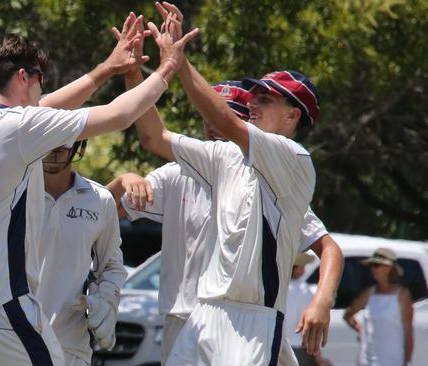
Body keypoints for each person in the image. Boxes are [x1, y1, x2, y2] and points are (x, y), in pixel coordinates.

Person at [0, 14, 199, 365]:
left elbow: (43, 109)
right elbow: (119, 115)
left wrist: (106, 69)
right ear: (23, 76)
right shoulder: (17, 126)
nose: (41, 89)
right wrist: (168, 67)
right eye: (39, 79)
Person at [118, 3, 321, 364]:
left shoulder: (293, 158)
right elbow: (154, 137)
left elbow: (225, 122)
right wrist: (136, 77)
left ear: (293, 115)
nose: (253, 103)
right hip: (206, 311)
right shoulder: (225, 157)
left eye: (265, 99)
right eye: (253, 97)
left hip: (253, 318)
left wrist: (177, 62)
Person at [106, 81, 249, 363]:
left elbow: (321, 243)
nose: (212, 127)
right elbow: (102, 212)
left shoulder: (264, 176)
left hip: (239, 320)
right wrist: (123, 181)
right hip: (182, 318)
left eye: (222, 118)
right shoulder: (177, 174)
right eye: (207, 118)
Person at [36, 140, 127, 366]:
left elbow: (111, 265)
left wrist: (107, 299)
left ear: (78, 147)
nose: (52, 156)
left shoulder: (100, 200)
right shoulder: (12, 193)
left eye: (59, 149)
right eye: (47, 147)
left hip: (71, 346)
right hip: (14, 341)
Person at [344, 247, 413, 366]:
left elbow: (408, 332)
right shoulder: (369, 293)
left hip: (391, 360)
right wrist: (362, 330)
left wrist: (406, 360)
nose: (372, 269)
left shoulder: (402, 295)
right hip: (366, 359)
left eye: (376, 265)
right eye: (371, 265)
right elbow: (348, 315)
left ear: (389, 268)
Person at [285, 253, 326, 366]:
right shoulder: (303, 291)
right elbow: (310, 322)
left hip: (280, 345)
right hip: (299, 346)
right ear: (296, 268)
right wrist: (318, 355)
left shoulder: (280, 288)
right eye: (303, 266)